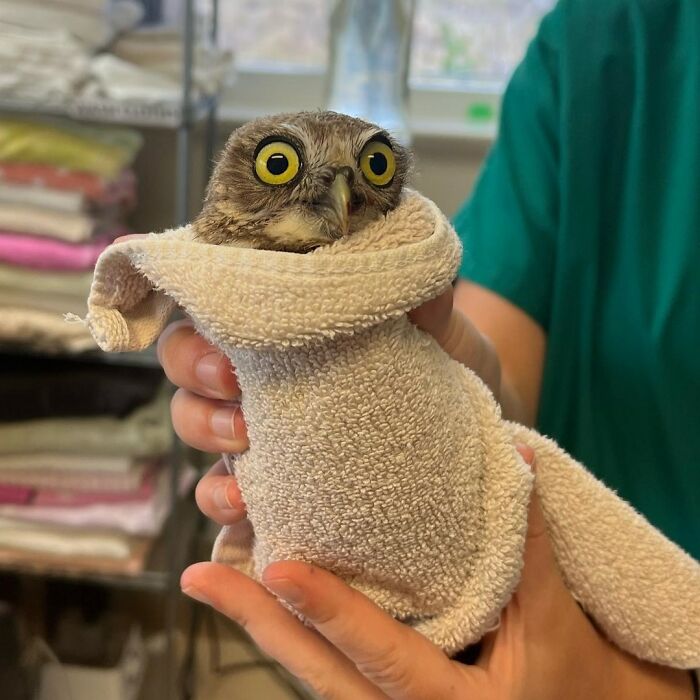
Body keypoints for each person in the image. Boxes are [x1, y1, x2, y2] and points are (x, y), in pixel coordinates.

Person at [156, 0, 699, 695]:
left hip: (578, 612)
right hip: (501, 602)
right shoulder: (604, 36)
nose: (342, 196)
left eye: (375, 167)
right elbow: (493, 390)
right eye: (279, 164)